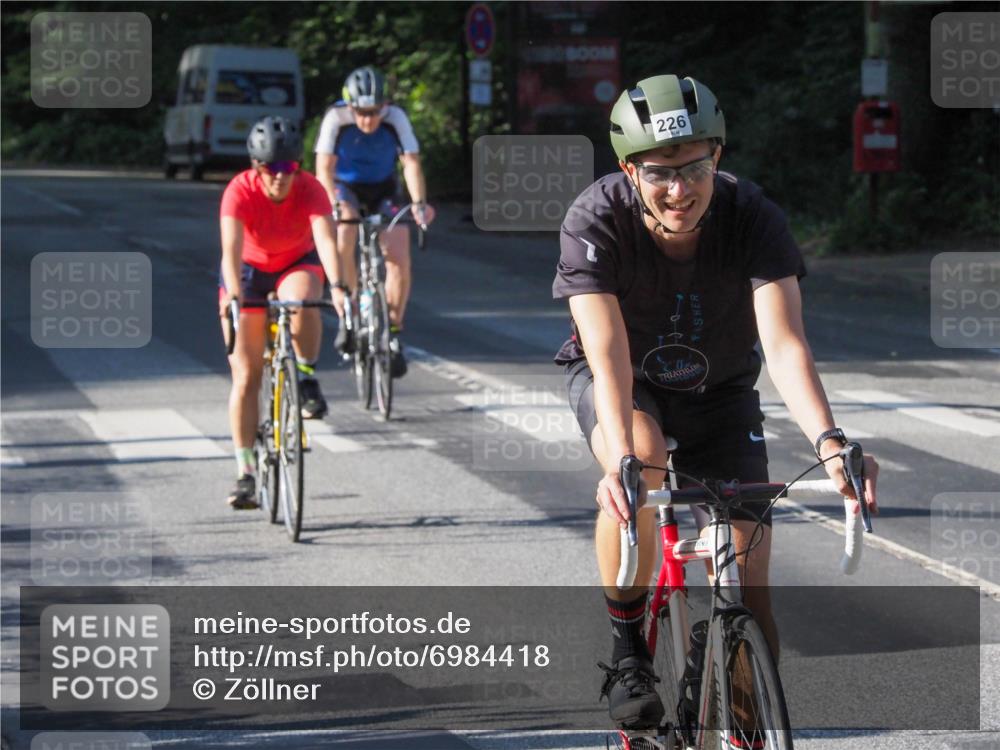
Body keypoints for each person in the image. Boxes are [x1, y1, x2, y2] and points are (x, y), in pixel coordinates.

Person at [552, 75, 880, 732]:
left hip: (721, 392)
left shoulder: (753, 216)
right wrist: (617, 455)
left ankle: (737, 696)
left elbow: (785, 345)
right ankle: (628, 652)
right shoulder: (595, 220)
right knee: (638, 462)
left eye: (695, 166)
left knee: (749, 582)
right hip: (627, 388)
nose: (681, 188)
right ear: (629, 170)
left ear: (717, 158)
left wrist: (829, 441)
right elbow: (608, 354)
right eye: (661, 173)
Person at [219, 116, 345, 509]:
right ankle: (246, 472)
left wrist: (340, 286)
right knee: (246, 376)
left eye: (288, 167)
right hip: (248, 271)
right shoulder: (238, 191)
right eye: (271, 168)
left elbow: (325, 239)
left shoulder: (310, 189)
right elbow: (230, 253)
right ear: (257, 167)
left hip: (295, 261)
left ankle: (304, 374)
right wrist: (236, 298)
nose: (280, 177)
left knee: (305, 299)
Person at [313, 65, 433, 378]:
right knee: (346, 228)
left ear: (385, 106)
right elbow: (323, 169)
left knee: (399, 256)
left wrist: (419, 204)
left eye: (375, 111)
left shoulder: (396, 118)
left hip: (383, 187)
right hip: (346, 187)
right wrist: (331, 205)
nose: (367, 120)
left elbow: (411, 163)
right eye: (361, 112)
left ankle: (393, 330)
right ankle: (350, 309)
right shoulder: (335, 119)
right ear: (349, 106)